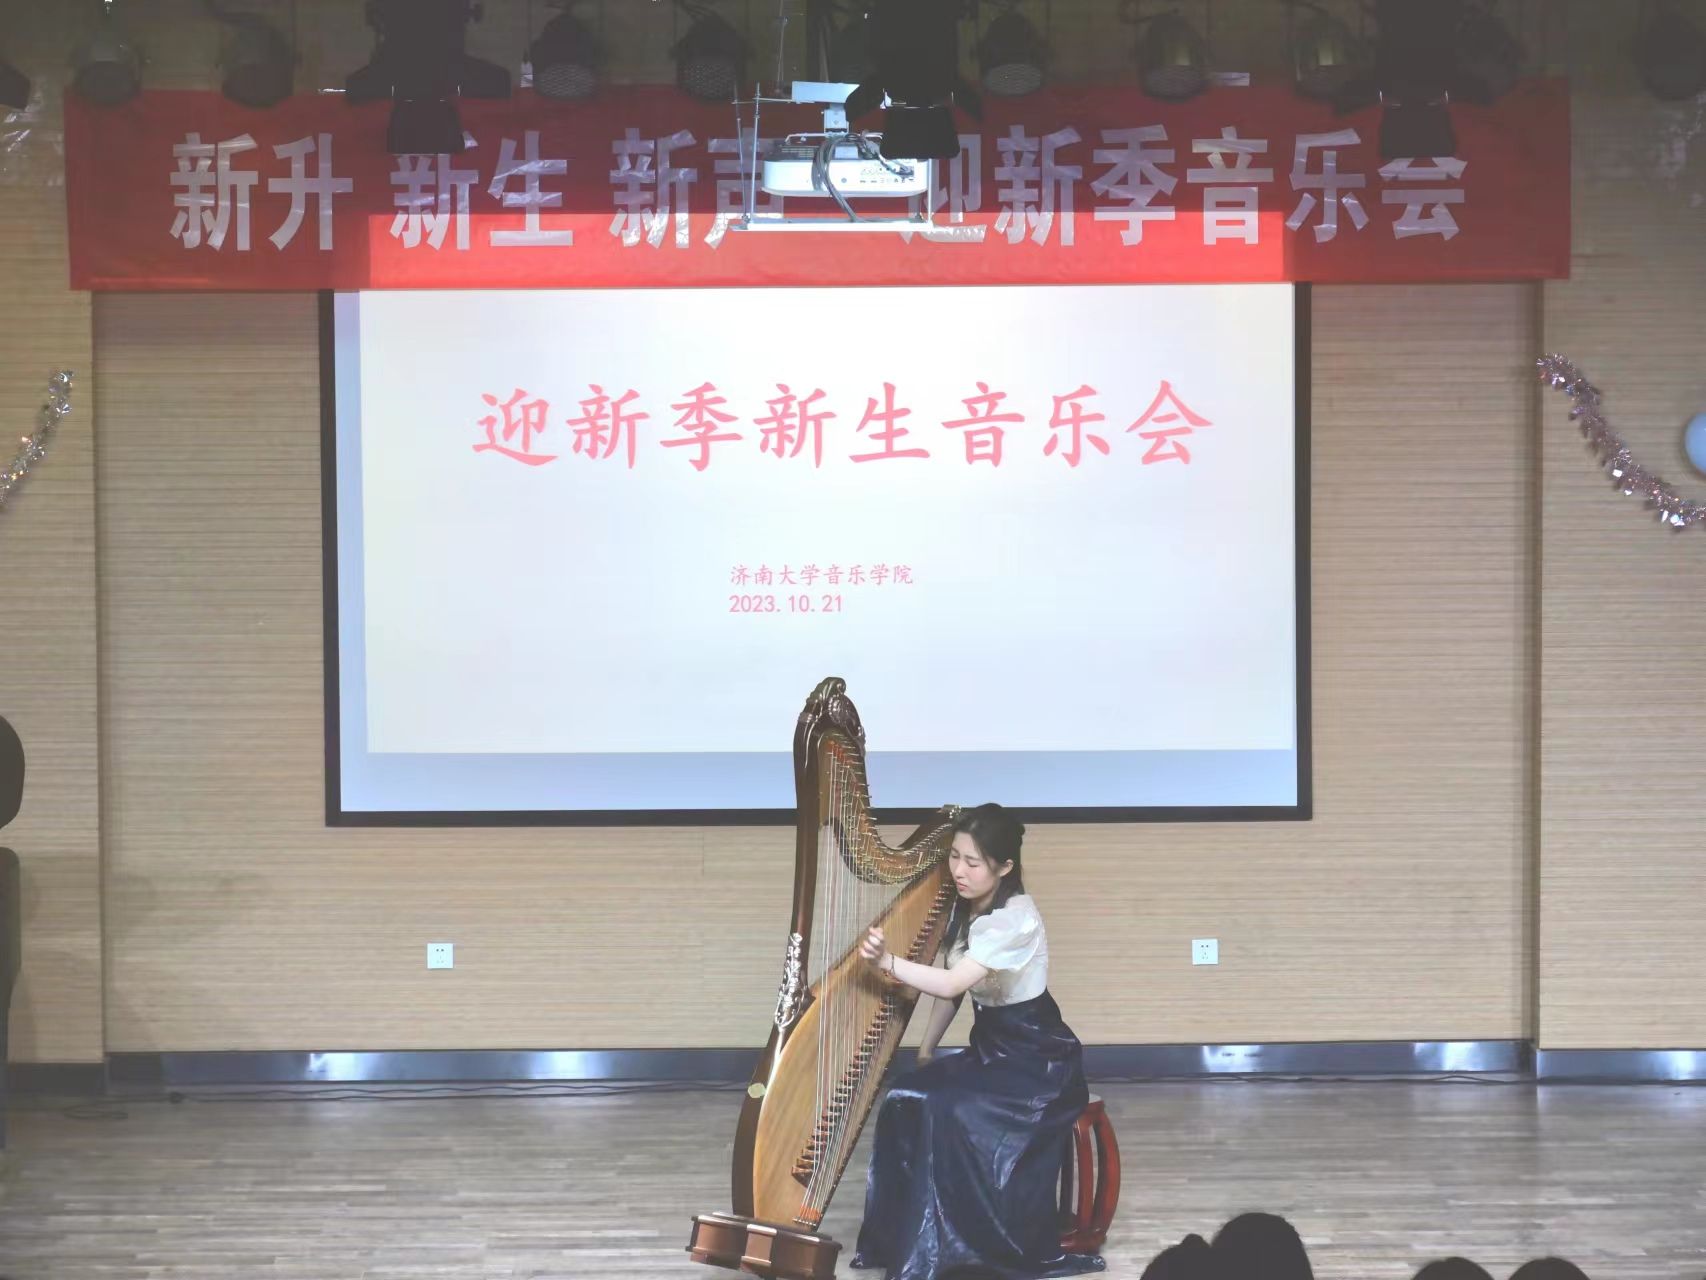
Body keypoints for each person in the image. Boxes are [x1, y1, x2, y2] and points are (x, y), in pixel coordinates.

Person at [849, 803, 1104, 1280]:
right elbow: (953, 992)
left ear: (1004, 867)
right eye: (954, 857)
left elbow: (950, 982)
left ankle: (964, 1241)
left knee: (948, 1108)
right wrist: (927, 1049)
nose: (958, 871)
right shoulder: (964, 910)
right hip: (991, 1051)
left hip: (1037, 1059)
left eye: (973, 862)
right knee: (906, 1096)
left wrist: (887, 963)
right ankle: (909, 1238)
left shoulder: (1015, 920)